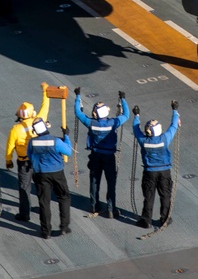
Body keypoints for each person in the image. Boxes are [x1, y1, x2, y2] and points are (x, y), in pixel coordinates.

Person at [73, 87, 129, 217]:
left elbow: (78, 112)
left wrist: (77, 97)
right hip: (109, 157)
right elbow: (126, 115)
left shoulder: (91, 123)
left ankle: (94, 206)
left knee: (94, 180)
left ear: (95, 114)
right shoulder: (113, 122)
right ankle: (110, 209)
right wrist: (123, 100)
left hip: (96, 155)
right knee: (111, 182)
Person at [4, 82, 50, 222]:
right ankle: (44, 209)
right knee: (42, 186)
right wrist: (45, 91)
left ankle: (25, 214)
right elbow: (45, 106)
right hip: (39, 160)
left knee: (24, 188)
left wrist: (8, 160)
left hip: (24, 162)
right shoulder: (39, 120)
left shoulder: (15, 129)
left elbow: (10, 146)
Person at [132, 100, 180, 229]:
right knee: (165, 195)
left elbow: (136, 129)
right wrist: (175, 110)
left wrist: (136, 115)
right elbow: (174, 126)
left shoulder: (143, 140)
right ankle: (165, 218)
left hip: (149, 172)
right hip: (164, 171)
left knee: (149, 196)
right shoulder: (164, 139)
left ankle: (146, 220)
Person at [26, 117, 72, 239]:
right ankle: (64, 226)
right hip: (57, 172)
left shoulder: (32, 142)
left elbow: (29, 156)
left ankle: (46, 231)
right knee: (63, 197)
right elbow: (68, 152)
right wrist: (66, 137)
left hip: (40, 173)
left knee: (44, 202)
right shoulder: (55, 141)